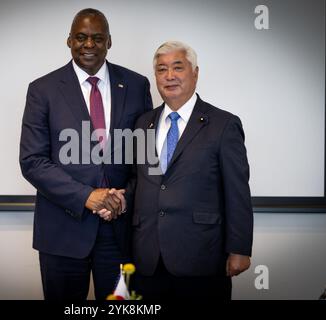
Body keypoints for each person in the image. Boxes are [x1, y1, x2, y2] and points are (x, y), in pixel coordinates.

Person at [19, 8, 152, 300]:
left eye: (97, 38)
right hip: (62, 232)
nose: (88, 45)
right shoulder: (43, 90)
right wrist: (87, 197)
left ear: (109, 42)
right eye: (80, 37)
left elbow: (146, 159)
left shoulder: (137, 85)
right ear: (69, 41)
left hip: (121, 232)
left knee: (122, 306)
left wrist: (123, 198)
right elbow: (32, 161)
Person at [126, 41, 253, 300]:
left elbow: (237, 191)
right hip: (148, 258)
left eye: (177, 67)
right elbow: (138, 181)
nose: (169, 76)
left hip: (201, 256)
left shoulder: (223, 124)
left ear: (195, 73)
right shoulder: (142, 123)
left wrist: (240, 248)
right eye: (161, 70)